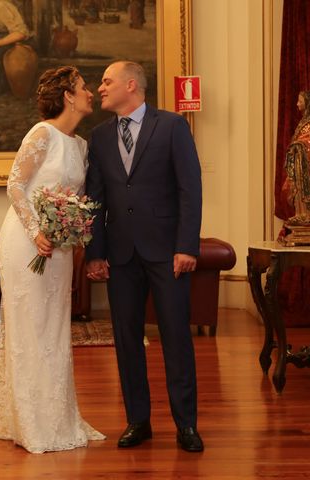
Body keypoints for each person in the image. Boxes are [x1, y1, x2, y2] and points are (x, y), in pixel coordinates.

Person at [85, 61, 204, 452]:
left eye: (107, 81)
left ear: (131, 85)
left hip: (167, 253)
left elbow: (190, 190)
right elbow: (95, 199)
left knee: (175, 339)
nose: (99, 88)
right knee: (127, 340)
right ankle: (138, 420)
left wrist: (186, 246)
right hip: (120, 256)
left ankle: (186, 424)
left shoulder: (171, 126)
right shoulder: (98, 137)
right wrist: (95, 253)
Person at [0, 66, 105, 453]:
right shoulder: (42, 133)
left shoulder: (81, 145)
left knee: (54, 328)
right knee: (30, 328)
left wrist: (68, 234)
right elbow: (15, 185)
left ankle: (57, 418)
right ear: (68, 96)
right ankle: (30, 424)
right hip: (26, 243)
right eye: (83, 87)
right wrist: (36, 231)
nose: (90, 92)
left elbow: (76, 199)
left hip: (59, 247)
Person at [281, 90, 310, 226]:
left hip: (309, 168)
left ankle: (309, 217)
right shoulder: (304, 121)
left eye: (300, 101)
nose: (297, 104)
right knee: (299, 191)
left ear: (307, 102)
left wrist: (298, 144)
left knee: (306, 192)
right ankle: (300, 216)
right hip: (300, 164)